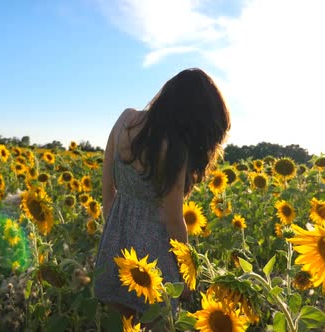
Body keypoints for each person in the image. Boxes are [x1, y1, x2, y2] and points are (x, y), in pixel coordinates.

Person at [93, 68, 230, 326]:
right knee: (156, 322)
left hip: (115, 236)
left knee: (117, 323)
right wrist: (187, 275)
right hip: (153, 256)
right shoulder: (173, 147)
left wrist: (113, 228)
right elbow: (172, 220)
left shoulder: (125, 120)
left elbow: (107, 185)